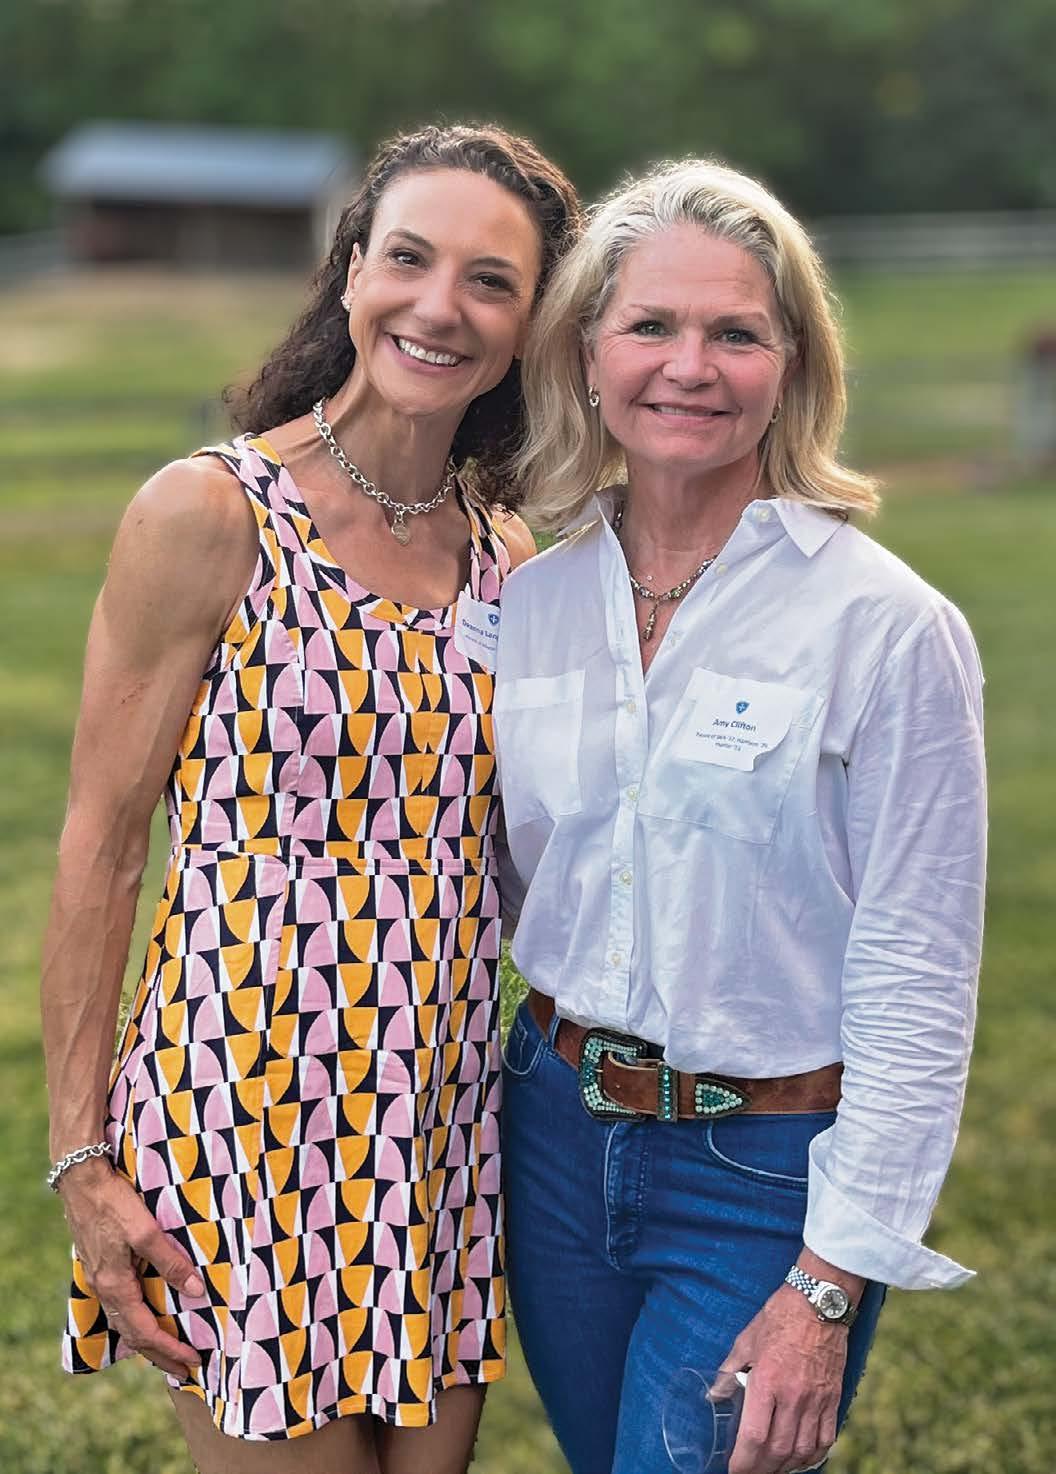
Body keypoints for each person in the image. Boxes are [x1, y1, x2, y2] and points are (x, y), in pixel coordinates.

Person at [40, 122, 579, 1474]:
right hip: (244, 1108)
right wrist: (80, 1162)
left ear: (529, 325)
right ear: (350, 274)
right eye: (408, 258)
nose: (439, 305)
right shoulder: (211, 513)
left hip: (438, 1128)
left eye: (491, 280)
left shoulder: (507, 557)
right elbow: (101, 848)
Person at [494, 159, 986, 1474]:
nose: (689, 367)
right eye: (650, 325)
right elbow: (518, 881)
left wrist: (829, 1280)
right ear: (586, 354)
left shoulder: (887, 627)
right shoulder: (531, 603)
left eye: (736, 333)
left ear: (794, 363)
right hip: (550, 1139)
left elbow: (919, 970)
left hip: (763, 1169)